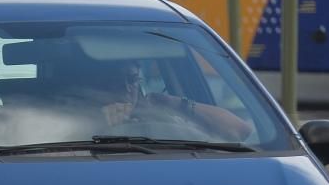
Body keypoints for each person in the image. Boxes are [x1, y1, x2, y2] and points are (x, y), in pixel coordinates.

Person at [99, 61, 252, 142]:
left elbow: (241, 130)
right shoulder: (85, 120)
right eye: (116, 81)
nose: (126, 88)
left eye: (132, 80)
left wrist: (170, 102)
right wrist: (102, 124)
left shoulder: (164, 113)